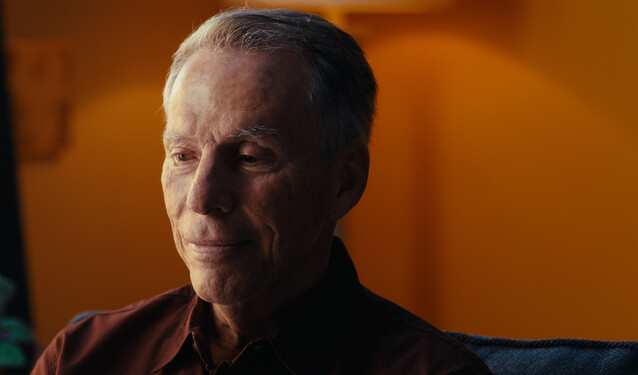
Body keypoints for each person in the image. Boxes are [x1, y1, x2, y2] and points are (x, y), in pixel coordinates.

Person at [31, 8, 492, 374]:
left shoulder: (433, 371)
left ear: (345, 180)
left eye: (250, 157)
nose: (202, 197)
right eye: (183, 156)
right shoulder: (81, 358)